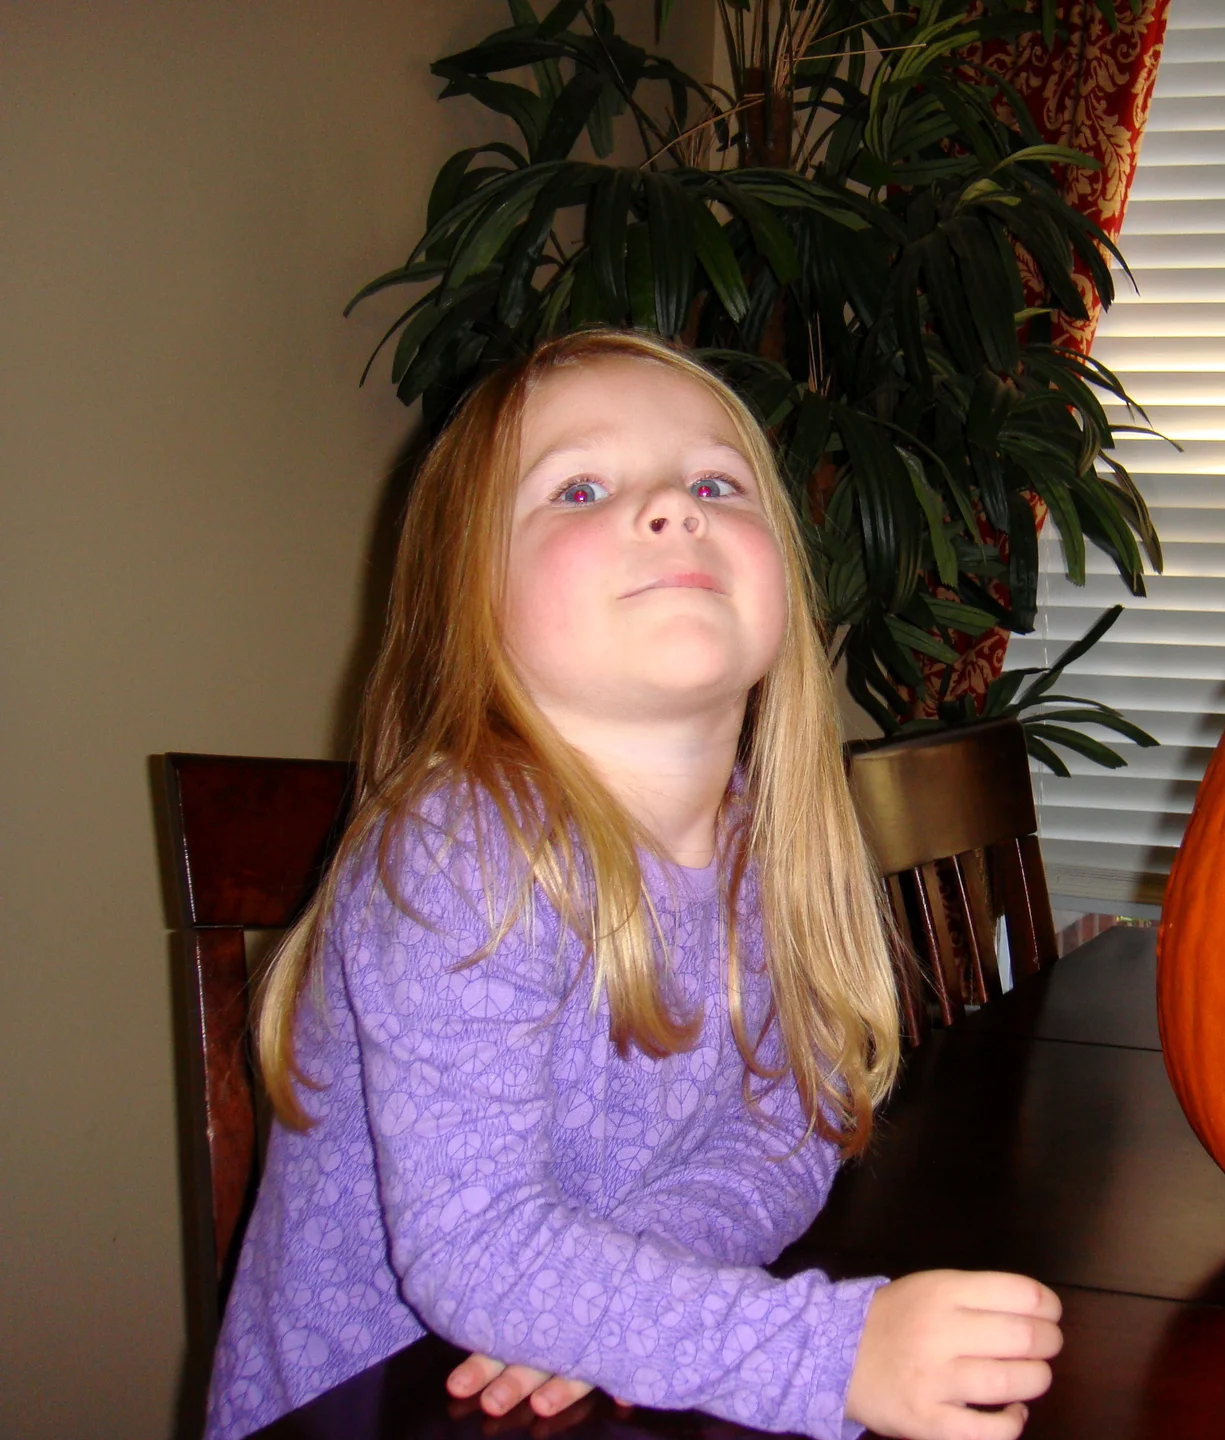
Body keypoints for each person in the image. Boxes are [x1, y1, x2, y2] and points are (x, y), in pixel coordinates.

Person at [206, 330, 1062, 1440]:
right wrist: (828, 1355)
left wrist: (619, 1298)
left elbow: (788, 1132)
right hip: (375, 1410)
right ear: (469, 602)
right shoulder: (462, 849)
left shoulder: (771, 847)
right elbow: (478, 1246)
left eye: (715, 483)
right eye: (580, 488)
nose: (670, 509)